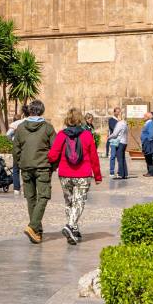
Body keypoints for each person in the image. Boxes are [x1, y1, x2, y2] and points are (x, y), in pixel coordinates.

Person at [47, 109, 102, 243]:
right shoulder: (87, 135)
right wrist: (98, 175)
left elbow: (53, 155)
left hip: (65, 174)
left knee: (69, 202)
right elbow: (94, 157)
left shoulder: (61, 135)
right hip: (83, 174)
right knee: (79, 202)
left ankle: (74, 230)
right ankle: (70, 226)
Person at [11, 100, 57, 244]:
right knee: (43, 197)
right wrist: (53, 166)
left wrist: (20, 163)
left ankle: (37, 231)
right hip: (42, 166)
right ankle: (32, 226)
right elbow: (55, 150)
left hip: (26, 167)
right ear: (42, 111)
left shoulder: (20, 128)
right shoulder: (48, 128)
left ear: (30, 111)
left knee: (31, 199)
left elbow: (15, 149)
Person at [105, 107, 129, 180]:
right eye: (117, 112)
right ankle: (112, 172)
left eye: (119, 112)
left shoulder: (120, 123)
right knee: (113, 156)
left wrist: (109, 137)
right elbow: (112, 128)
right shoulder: (112, 120)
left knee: (120, 157)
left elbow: (115, 133)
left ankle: (120, 173)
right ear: (114, 112)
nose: (118, 113)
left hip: (118, 140)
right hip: (115, 141)